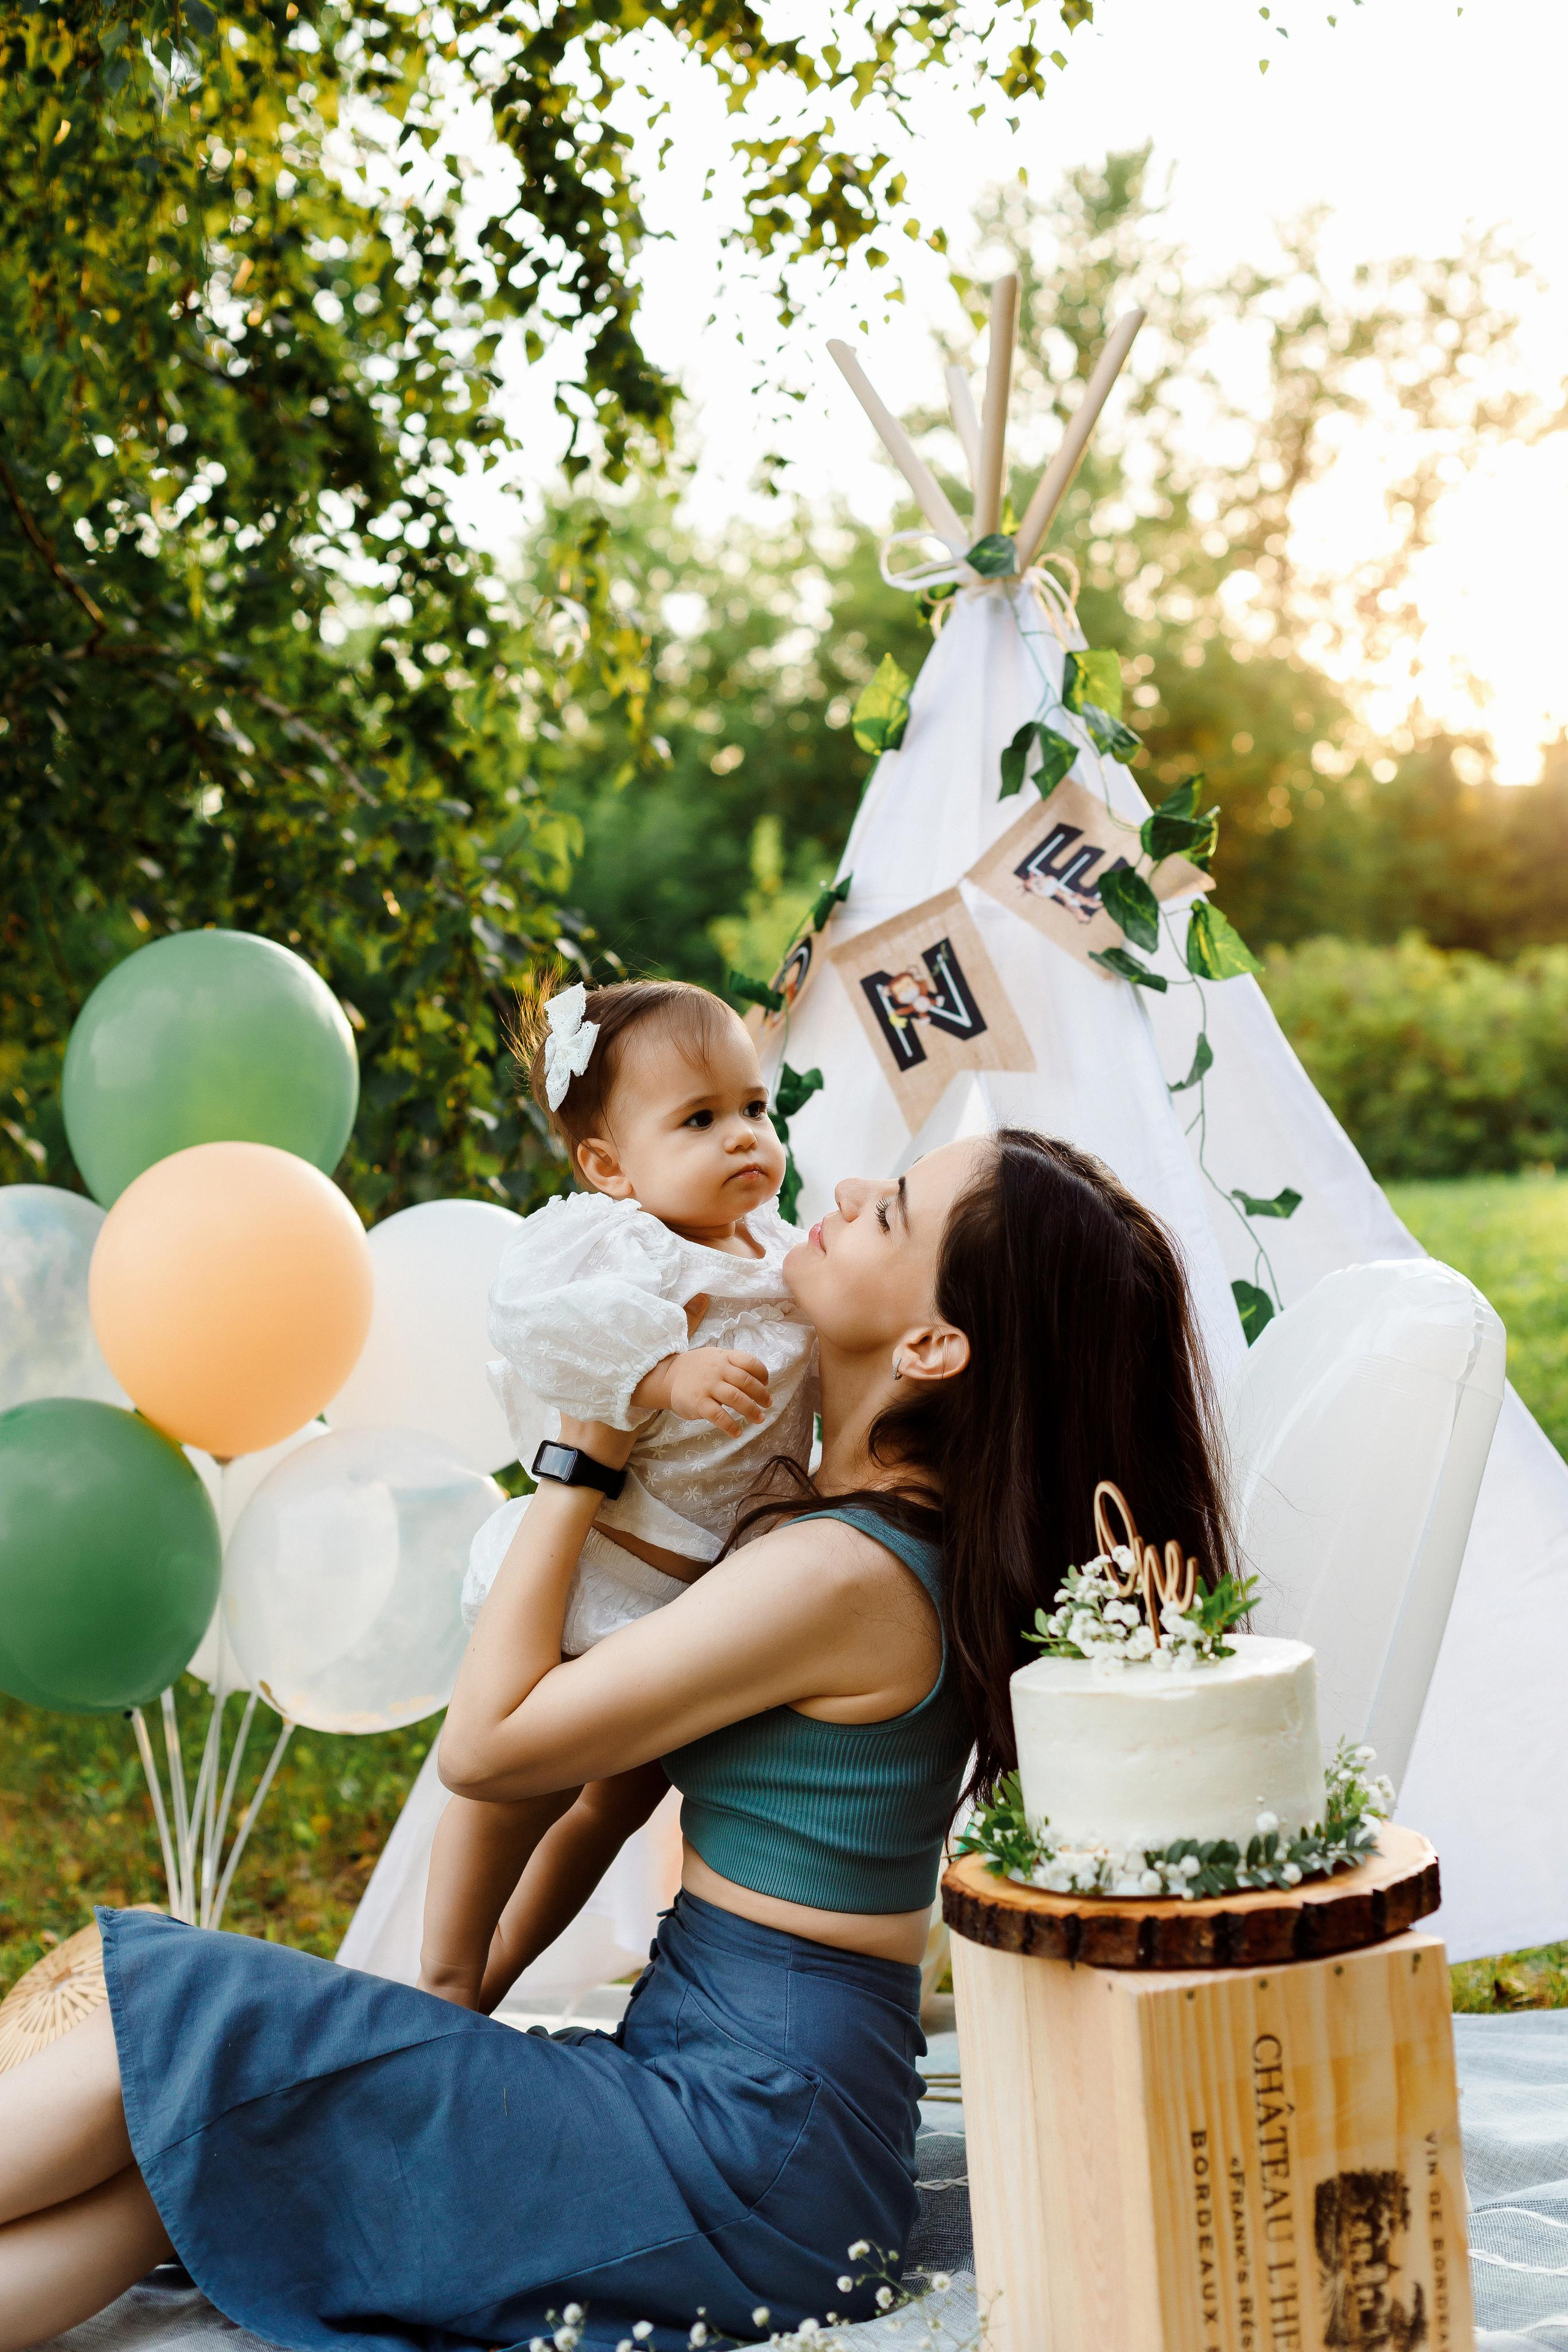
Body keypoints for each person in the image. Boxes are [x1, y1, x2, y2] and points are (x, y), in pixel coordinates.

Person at [0, 1129, 1231, 2352]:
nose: (848, 1188)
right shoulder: (849, 1530)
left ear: (930, 1345)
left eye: (890, 1213)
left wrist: (576, 1457)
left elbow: (488, 1747)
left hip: (742, 2149)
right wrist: (451, 2000)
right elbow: (611, 1798)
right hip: (760, 2133)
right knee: (165, 2147)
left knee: (146, 1993)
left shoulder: (839, 1575)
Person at [421, 975, 816, 2011]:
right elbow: (529, 1322)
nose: (743, 1139)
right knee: (518, 1794)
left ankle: (496, 1981)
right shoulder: (621, 1247)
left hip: (685, 1619)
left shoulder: (780, 1254)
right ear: (610, 1167)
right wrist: (658, 1374)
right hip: (592, 1590)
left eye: (753, 1109)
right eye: (699, 1120)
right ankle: (445, 1976)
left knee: (617, 1810)